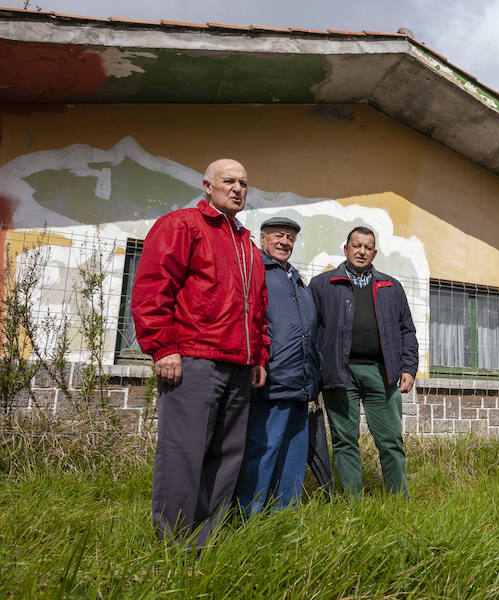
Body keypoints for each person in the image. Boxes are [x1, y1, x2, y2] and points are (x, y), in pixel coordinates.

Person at [131, 158, 269, 547]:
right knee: (184, 453)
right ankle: (172, 543)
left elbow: (257, 307)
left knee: (228, 457)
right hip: (193, 360)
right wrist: (163, 348)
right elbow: (152, 289)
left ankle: (204, 540)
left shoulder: (247, 244)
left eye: (244, 182)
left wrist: (259, 355)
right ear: (207, 186)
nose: (238, 188)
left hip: (239, 366)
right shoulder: (181, 225)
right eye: (229, 181)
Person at [309, 226, 418, 497]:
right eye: (357, 246)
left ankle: (399, 501)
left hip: (382, 372)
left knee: (390, 440)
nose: (362, 251)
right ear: (345, 249)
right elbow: (311, 331)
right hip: (338, 373)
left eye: (368, 247)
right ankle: (352, 503)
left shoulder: (391, 287)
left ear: (375, 253)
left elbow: (407, 330)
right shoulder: (322, 285)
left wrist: (408, 367)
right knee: (345, 440)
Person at [236, 216, 322, 513]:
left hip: (300, 382)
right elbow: (250, 320)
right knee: (265, 447)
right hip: (271, 378)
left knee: (293, 451)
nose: (285, 242)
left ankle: (284, 512)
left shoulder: (296, 279)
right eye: (278, 236)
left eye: (290, 238)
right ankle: (250, 514)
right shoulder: (256, 269)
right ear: (262, 240)